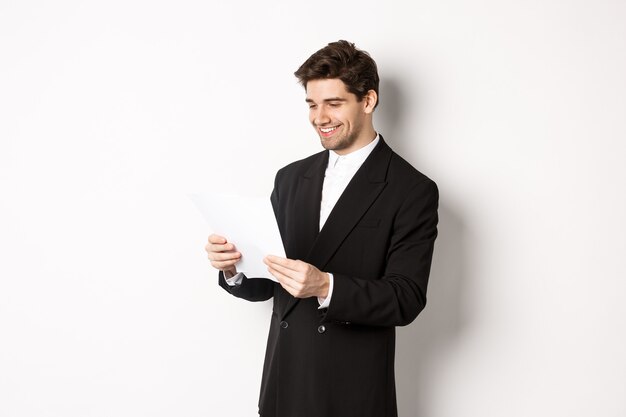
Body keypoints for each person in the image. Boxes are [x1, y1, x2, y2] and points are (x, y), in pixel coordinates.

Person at [205, 40, 438, 417]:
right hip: (283, 385)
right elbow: (266, 285)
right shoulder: (291, 177)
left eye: (333, 103)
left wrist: (326, 286)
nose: (320, 117)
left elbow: (406, 297)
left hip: (352, 393)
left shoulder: (412, 189)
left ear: (368, 101)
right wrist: (233, 267)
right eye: (312, 104)